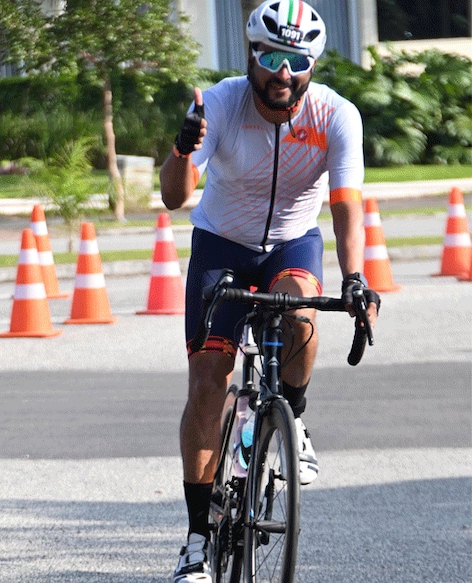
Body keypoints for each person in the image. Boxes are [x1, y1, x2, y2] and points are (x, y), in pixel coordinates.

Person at [158, 1, 380, 581]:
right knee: (209, 381)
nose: (284, 73)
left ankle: (293, 418)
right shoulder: (220, 103)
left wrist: (354, 276)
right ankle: (196, 541)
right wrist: (182, 150)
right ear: (252, 54)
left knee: (301, 309)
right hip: (221, 244)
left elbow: (346, 206)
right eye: (272, 57)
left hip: (291, 243)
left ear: (312, 63)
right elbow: (174, 198)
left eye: (298, 60)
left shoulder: (337, 115)